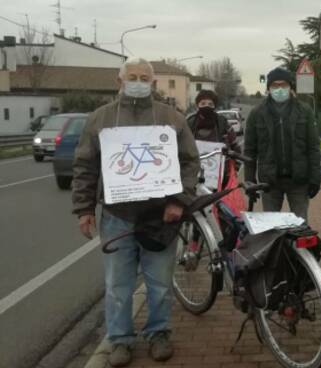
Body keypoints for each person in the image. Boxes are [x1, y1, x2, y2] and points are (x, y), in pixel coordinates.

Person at [72, 58, 200, 367]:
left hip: (160, 217)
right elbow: (85, 166)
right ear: (120, 81)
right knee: (118, 285)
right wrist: (84, 209)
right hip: (118, 216)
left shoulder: (172, 118)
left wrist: (178, 202)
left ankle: (158, 333)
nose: (139, 81)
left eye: (145, 77)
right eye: (133, 77)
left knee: (159, 282)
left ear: (153, 83)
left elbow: (190, 162)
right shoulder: (100, 119)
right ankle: (120, 340)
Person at [244, 67, 321, 221]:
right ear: (268, 88)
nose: (279, 89)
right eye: (275, 85)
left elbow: (313, 147)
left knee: (300, 227)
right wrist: (249, 180)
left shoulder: (304, 111)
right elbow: (250, 151)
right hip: (269, 182)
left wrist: (315, 177)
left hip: (299, 179)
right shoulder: (257, 113)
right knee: (271, 229)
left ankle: (298, 247)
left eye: (284, 85)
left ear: (290, 87)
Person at [187, 89, 241, 189]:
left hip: (221, 177)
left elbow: (236, 148)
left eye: (210, 104)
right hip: (193, 177)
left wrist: (234, 171)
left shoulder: (223, 123)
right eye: (203, 103)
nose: (206, 106)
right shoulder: (190, 123)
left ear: (214, 106)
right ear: (197, 105)